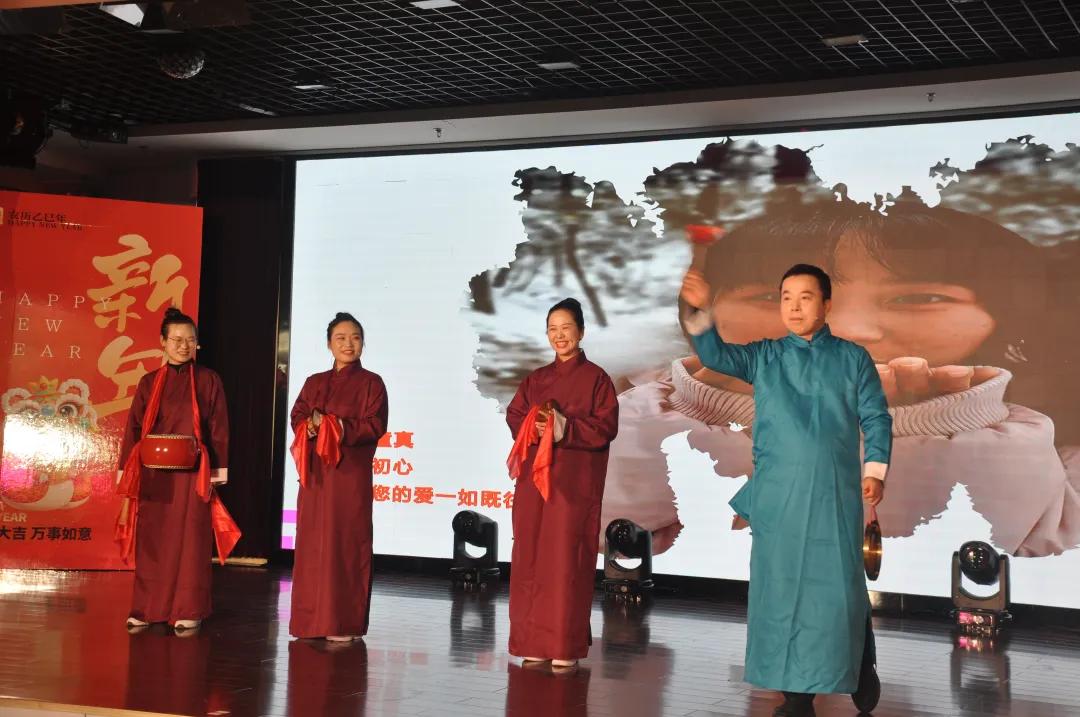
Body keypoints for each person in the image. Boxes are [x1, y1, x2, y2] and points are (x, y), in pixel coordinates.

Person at [602, 199, 1080, 559]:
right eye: (775, 296)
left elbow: (994, 551)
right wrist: (705, 415)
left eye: (917, 299)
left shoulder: (1061, 453)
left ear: (1006, 321)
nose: (849, 328)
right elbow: (613, 544)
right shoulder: (624, 403)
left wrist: (939, 430)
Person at [681, 262, 891, 716]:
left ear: (827, 304)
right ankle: (797, 695)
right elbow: (715, 355)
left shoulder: (853, 358)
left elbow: (876, 416)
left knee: (835, 590)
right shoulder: (766, 356)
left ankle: (858, 662)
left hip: (833, 493)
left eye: (805, 297)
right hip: (779, 495)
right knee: (780, 593)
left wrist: (875, 469)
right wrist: (699, 312)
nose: (794, 307)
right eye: (786, 298)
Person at [505, 298, 619, 669]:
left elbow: (605, 427)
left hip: (573, 488)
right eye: (552, 329)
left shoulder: (597, 379)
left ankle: (563, 644)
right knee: (530, 559)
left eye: (566, 327)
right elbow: (515, 415)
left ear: (581, 331)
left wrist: (563, 427)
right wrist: (534, 425)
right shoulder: (535, 380)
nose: (559, 335)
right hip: (533, 485)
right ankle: (532, 640)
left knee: (566, 562)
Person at [117, 307, 230, 633]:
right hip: (155, 473)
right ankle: (147, 608)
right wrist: (128, 470)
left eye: (190, 340)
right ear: (163, 342)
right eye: (177, 339)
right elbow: (134, 428)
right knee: (153, 541)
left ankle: (188, 608)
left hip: (193, 473)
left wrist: (216, 472)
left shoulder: (208, 380)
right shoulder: (149, 382)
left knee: (191, 541)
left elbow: (219, 428)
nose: (184, 346)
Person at [289, 312, 388, 642]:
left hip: (349, 477)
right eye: (341, 338)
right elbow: (298, 416)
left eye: (355, 338)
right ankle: (310, 621)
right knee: (312, 545)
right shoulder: (314, 382)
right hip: (316, 477)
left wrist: (336, 426)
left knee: (346, 544)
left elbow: (375, 425)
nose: (348, 344)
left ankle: (343, 622)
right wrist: (311, 426)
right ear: (329, 344)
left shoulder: (372, 383)